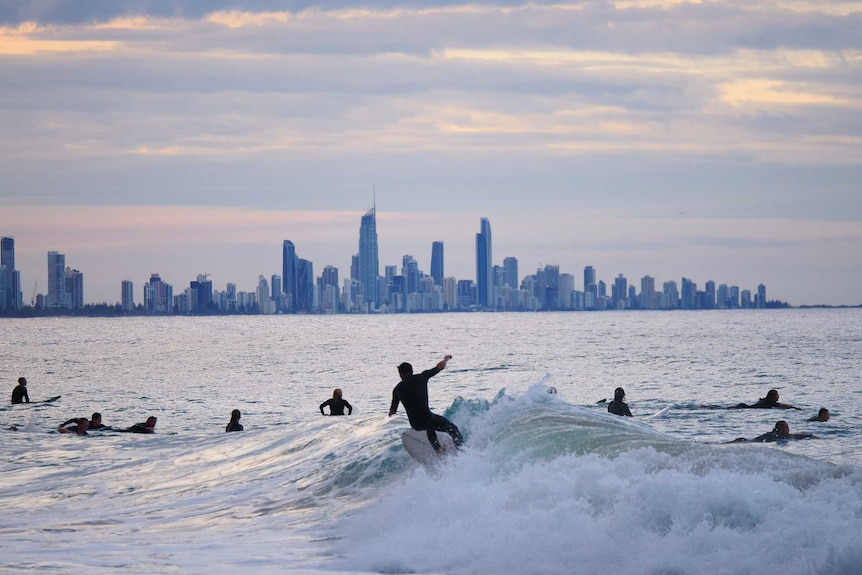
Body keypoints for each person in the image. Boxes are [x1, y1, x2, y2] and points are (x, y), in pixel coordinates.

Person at [389, 354, 464, 453]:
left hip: (415, 424)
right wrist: (446, 359)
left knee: (429, 427)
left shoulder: (397, 389)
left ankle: (438, 449)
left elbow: (392, 411)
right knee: (452, 429)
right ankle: (463, 451)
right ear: (412, 371)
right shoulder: (422, 377)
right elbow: (440, 366)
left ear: (400, 373)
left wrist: (391, 413)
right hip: (428, 419)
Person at [730, 420, 817, 443]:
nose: (788, 429)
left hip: (745, 440)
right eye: (787, 428)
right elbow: (795, 436)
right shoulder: (780, 437)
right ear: (781, 430)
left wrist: (808, 436)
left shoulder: (772, 434)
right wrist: (809, 436)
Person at [727, 389, 801, 410]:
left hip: (744, 406)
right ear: (774, 396)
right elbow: (783, 406)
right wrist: (794, 408)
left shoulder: (765, 401)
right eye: (777, 395)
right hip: (744, 407)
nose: (778, 397)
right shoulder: (770, 402)